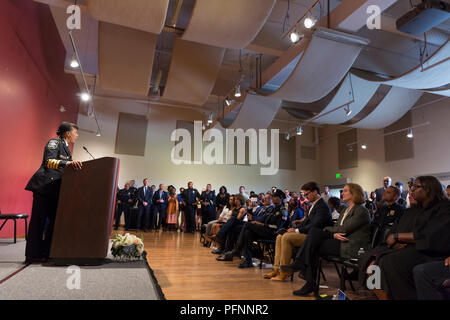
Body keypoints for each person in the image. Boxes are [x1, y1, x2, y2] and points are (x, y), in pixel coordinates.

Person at [282, 183, 371, 296]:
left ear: (354, 193)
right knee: (314, 242)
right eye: (342, 191)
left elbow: (344, 229)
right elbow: (335, 228)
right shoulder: (345, 210)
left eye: (345, 191)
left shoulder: (361, 211)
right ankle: (307, 277)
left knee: (314, 240)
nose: (341, 193)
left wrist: (330, 231)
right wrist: (333, 233)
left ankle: (304, 272)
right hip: (340, 241)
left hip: (351, 246)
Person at [376, 176, 450, 300]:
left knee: (394, 262)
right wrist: (397, 241)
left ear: (428, 189)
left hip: (437, 253)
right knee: (385, 260)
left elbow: (430, 235)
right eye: (412, 187)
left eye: (416, 187)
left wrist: (397, 236)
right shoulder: (422, 209)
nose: (412, 190)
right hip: (424, 249)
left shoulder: (444, 207)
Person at [25, 122, 82, 263]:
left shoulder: (66, 147)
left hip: (55, 190)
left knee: (53, 223)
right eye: (75, 132)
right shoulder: (54, 143)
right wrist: (67, 163)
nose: (77, 135)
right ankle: (33, 254)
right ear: (68, 133)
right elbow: (49, 161)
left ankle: (47, 252)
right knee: (38, 222)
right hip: (44, 187)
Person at [265, 183, 332, 281]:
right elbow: (306, 222)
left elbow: (315, 225)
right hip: (308, 233)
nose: (305, 197)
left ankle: (284, 272)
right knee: (280, 236)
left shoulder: (322, 206)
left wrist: (297, 230)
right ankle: (277, 269)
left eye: (307, 194)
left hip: (315, 237)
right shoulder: (314, 205)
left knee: (287, 237)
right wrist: (293, 229)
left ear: (315, 192)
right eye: (304, 195)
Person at [232, 190, 288, 268]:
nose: (274, 198)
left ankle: (237, 249)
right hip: (265, 230)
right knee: (248, 233)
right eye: (273, 197)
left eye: (276, 197)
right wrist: (260, 223)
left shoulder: (283, 211)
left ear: (281, 199)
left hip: (273, 233)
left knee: (247, 225)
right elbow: (264, 220)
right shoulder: (272, 209)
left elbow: (277, 227)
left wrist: (261, 224)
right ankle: (248, 261)